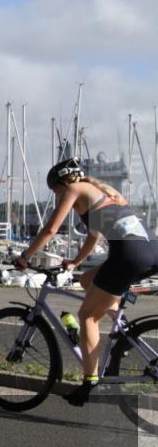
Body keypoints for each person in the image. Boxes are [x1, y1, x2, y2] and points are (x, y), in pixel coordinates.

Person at [17, 158, 158, 406]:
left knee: (87, 316)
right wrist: (75, 262)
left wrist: (25, 257)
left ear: (63, 182)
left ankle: (89, 383)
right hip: (151, 252)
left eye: (55, 190)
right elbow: (93, 238)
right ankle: (122, 330)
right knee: (86, 279)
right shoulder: (100, 194)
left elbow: (50, 230)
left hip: (128, 256)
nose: (57, 196)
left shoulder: (74, 189)